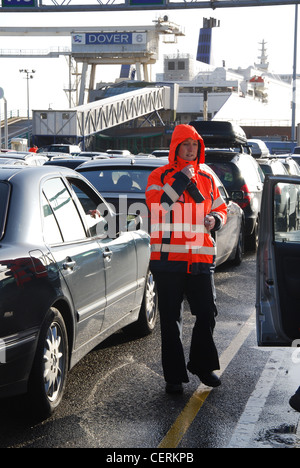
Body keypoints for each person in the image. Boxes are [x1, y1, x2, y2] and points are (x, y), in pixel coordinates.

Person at [145, 124, 227, 394]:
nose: (191, 149)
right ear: (176, 147)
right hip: (168, 261)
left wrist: (215, 219)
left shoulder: (208, 176)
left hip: (201, 258)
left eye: (195, 144)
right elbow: (158, 207)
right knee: (170, 320)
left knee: (207, 313)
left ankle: (203, 367)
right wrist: (181, 179)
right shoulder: (160, 175)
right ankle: (174, 377)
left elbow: (220, 208)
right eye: (186, 144)